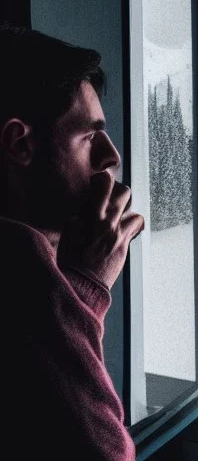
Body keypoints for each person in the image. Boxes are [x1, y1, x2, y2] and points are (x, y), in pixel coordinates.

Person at [0, 23, 144, 460]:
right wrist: (84, 290)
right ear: (20, 144)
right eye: (88, 136)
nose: (111, 156)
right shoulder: (20, 282)